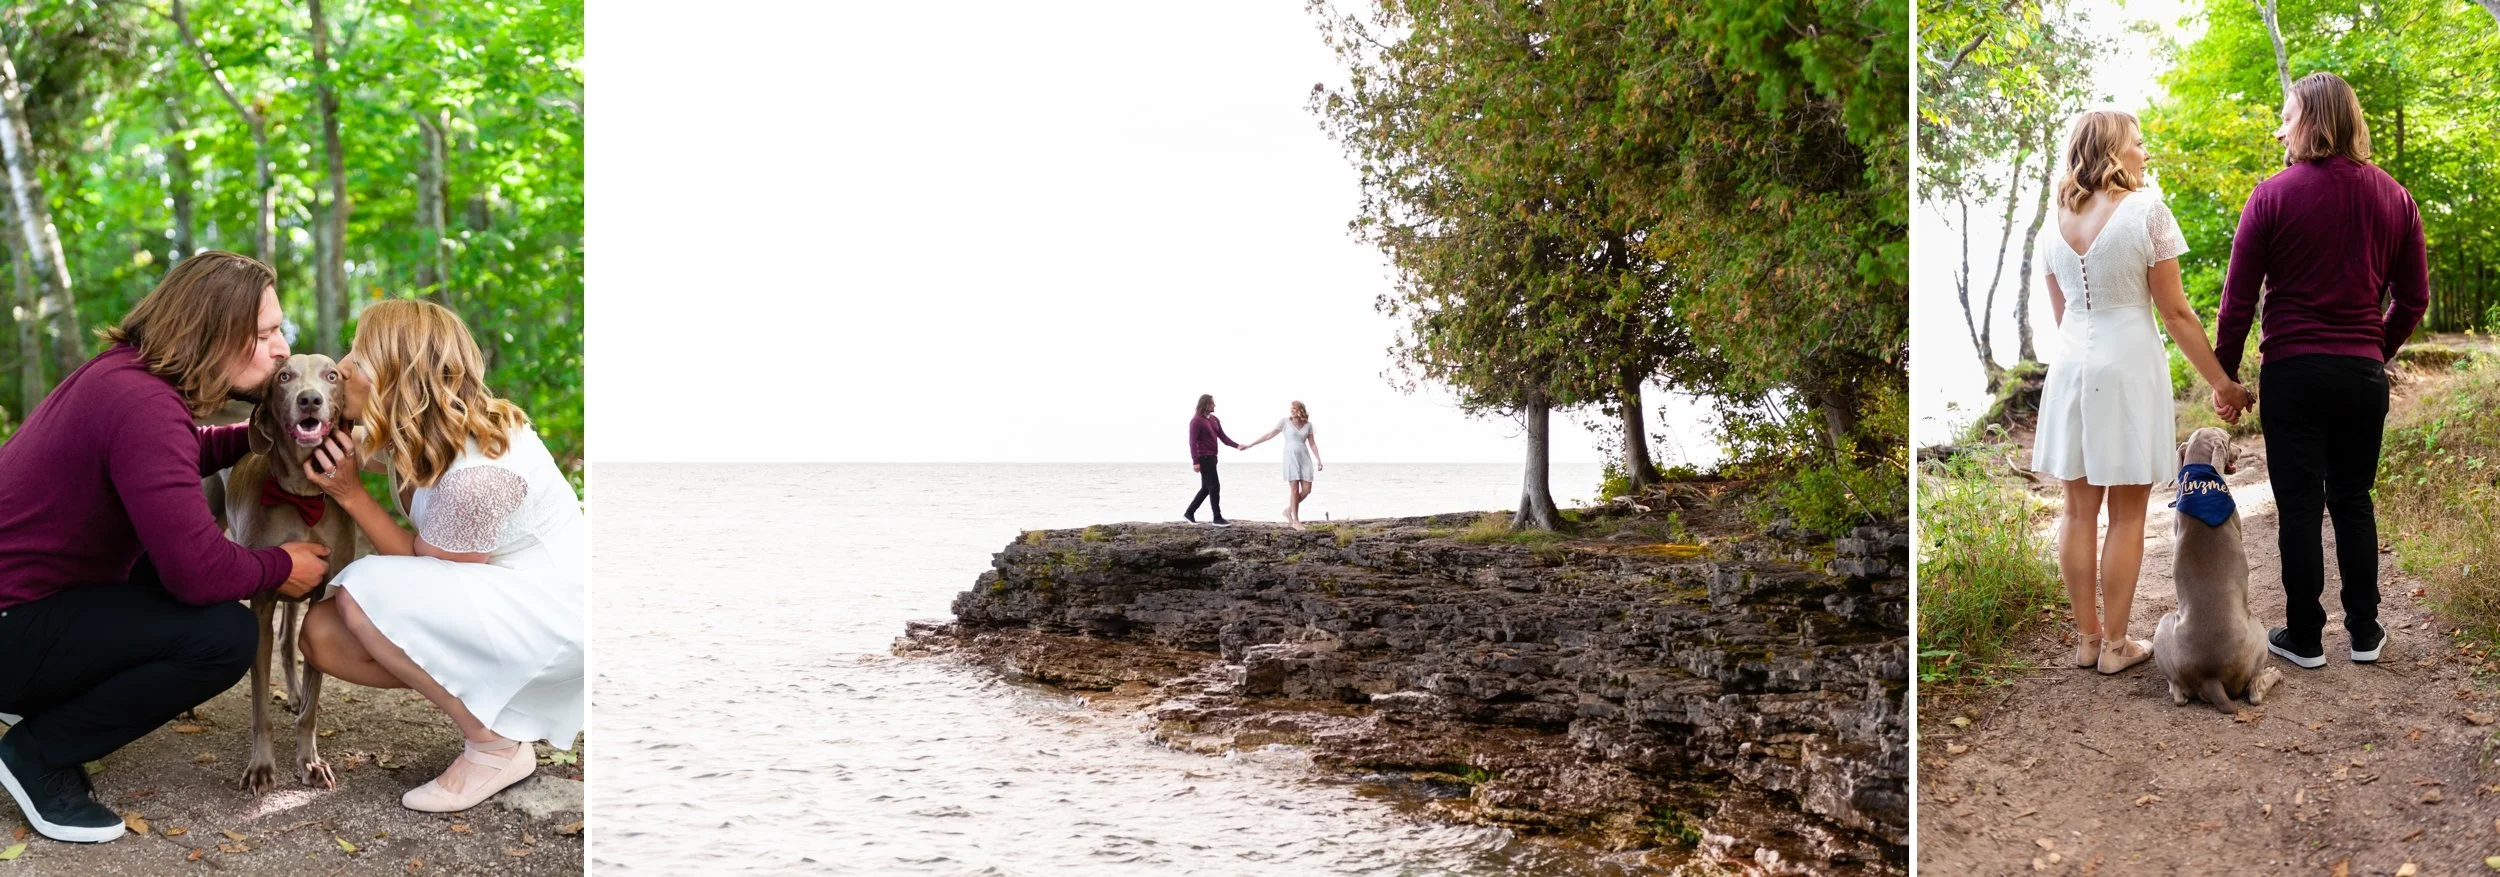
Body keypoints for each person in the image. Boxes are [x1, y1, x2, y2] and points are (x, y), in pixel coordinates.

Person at [0, 251, 329, 843]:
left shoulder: (127, 378)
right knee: (222, 637)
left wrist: (256, 440)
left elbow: (173, 457)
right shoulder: (142, 404)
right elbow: (198, 573)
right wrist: (281, 564)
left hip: (24, 604)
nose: (282, 347)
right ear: (211, 333)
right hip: (11, 623)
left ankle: (39, 690)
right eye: (265, 333)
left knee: (163, 567)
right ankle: (38, 752)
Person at [295, 299, 585, 812]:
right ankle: (492, 707)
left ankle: (495, 747)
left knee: (366, 590)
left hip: (556, 623)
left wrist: (351, 495)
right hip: (501, 603)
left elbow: (429, 574)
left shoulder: (481, 473)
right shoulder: (421, 433)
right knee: (322, 636)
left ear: (396, 380)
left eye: (358, 359)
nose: (342, 366)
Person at [2213, 72, 2428, 670]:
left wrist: (2225, 380)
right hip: (2361, 376)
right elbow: (2413, 300)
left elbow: (2238, 300)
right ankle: (2364, 631)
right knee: (2353, 497)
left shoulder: (2271, 195)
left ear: (2309, 121)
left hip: (2294, 373)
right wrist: (2372, 351)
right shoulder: (2396, 197)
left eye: (2287, 115)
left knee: (2301, 503)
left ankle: (2306, 636)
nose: (2280, 127)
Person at [2031, 110, 2255, 675]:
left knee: (2078, 512)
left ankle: (2085, 641)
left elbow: (2063, 316)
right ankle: (2114, 647)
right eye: (2137, 142)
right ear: (2112, 149)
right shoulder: (2146, 212)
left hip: (2071, 367)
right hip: (2128, 366)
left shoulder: (2053, 221)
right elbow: (2175, 312)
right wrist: (2222, 382)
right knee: (2128, 516)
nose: (2144, 151)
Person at [1241, 401, 1325, 529]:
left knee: (1307, 490)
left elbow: (1312, 443)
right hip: (1290, 458)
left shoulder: (1308, 425)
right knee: (1294, 490)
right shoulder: (1285, 422)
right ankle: (1296, 521)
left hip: (1305, 458)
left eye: (1294, 409)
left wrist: (1318, 459)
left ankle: (1288, 510)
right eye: (1291, 409)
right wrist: (1250, 444)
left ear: (1300, 410)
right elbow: (1269, 435)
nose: (1291, 411)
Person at [1184, 394, 1242, 526]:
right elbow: (1192, 442)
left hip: (1213, 457)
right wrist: (1195, 462)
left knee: (1206, 488)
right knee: (1214, 486)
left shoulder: (1214, 419)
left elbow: (1223, 437)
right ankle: (1217, 518)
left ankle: (1189, 513)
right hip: (1204, 458)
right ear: (1205, 404)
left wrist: (1237, 446)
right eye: (1212, 403)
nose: (1214, 405)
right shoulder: (1196, 421)